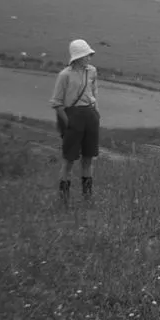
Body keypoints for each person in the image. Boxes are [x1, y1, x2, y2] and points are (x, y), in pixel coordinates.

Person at [50, 39, 100, 207]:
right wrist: (68, 122)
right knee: (69, 159)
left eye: (89, 55)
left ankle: (88, 197)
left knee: (88, 157)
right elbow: (57, 103)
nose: (88, 58)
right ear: (77, 57)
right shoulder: (65, 75)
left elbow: (94, 92)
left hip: (90, 114)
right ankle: (64, 199)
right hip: (73, 115)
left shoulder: (92, 71)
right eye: (85, 55)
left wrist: (96, 113)